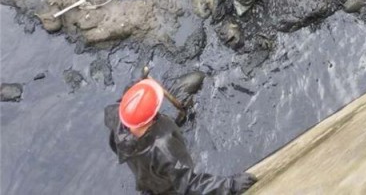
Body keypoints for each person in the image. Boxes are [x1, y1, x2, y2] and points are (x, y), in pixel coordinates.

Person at [105, 77, 255, 194]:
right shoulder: (163, 148)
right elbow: (189, 184)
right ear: (151, 117)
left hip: (147, 182)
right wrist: (231, 185)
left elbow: (128, 102)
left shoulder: (116, 117)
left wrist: (140, 87)